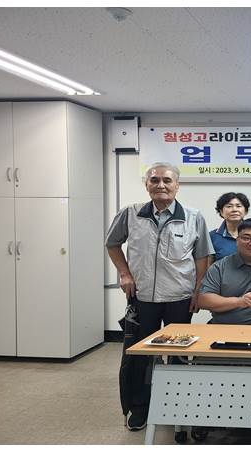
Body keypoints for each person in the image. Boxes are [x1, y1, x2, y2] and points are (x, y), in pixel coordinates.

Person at [106, 162, 213, 431]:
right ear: (146, 185)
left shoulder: (193, 216)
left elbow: (202, 256)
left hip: (180, 297)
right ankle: (140, 408)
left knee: (179, 354)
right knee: (140, 356)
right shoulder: (130, 213)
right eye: (154, 180)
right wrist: (124, 273)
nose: (161, 185)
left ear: (177, 185)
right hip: (142, 297)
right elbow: (112, 243)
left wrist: (198, 290)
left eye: (167, 180)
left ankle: (176, 406)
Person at [198, 218, 251, 325]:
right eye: (246, 238)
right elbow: (204, 300)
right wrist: (239, 301)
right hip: (226, 328)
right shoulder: (220, 267)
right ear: (237, 240)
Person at [210, 192, 249, 262]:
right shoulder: (212, 237)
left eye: (238, 206)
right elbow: (209, 265)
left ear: (245, 211)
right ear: (221, 212)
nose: (234, 210)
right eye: (229, 206)